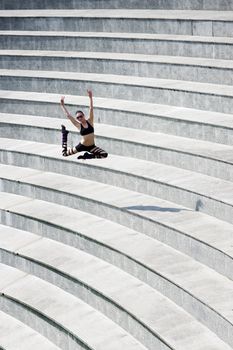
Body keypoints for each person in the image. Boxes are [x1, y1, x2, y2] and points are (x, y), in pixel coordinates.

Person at [60, 90, 108, 159]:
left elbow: (91, 109)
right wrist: (62, 105)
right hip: (82, 146)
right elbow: (68, 116)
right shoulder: (78, 125)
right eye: (78, 117)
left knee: (104, 154)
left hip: (91, 146)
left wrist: (90, 98)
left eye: (81, 116)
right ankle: (64, 134)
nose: (79, 118)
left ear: (84, 116)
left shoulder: (90, 121)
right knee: (64, 154)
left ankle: (87, 156)